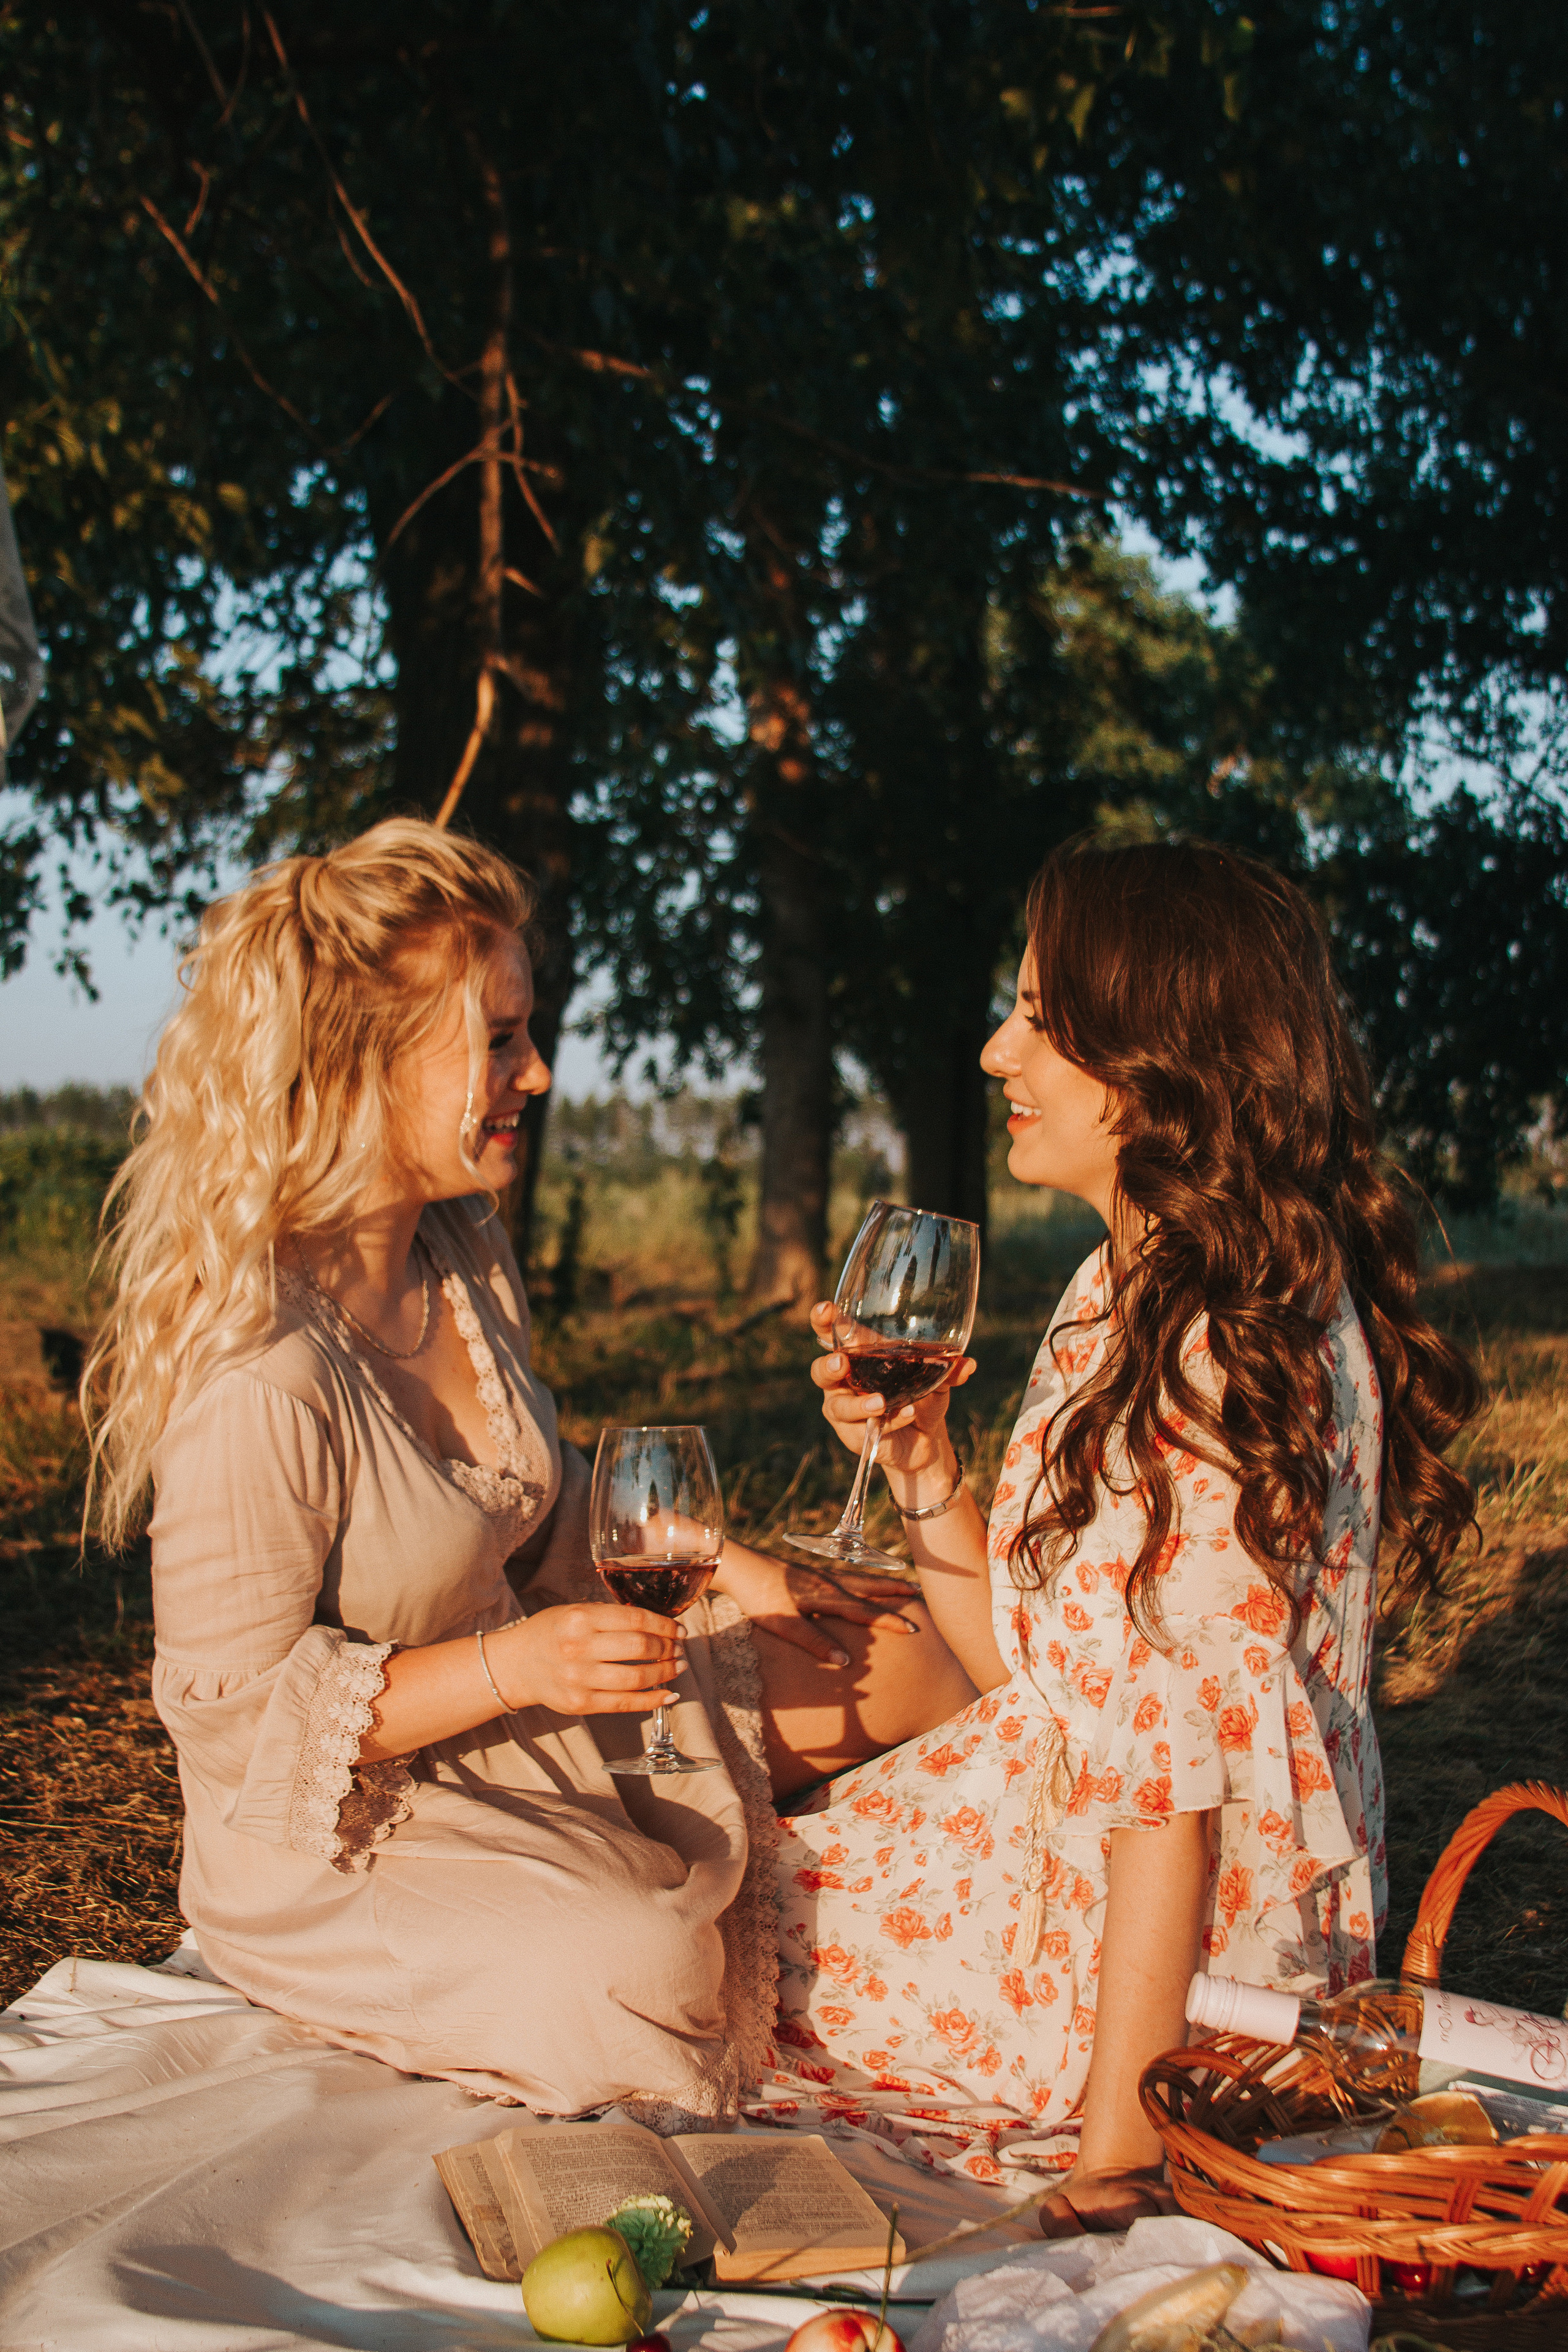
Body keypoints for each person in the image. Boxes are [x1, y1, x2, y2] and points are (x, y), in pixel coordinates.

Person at [86, 820, 973, 2121]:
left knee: (907, 1653)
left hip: (523, 1712)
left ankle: (863, 1914)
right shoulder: (259, 1376)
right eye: (498, 1039)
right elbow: (229, 1721)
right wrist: (517, 1666)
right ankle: (728, 1910)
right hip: (338, 1830)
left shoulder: (460, 1250)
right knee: (636, 1959)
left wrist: (746, 1575)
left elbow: (536, 1491)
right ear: (360, 1063)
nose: (538, 1073)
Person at [755, 839, 1479, 2217]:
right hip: (1076, 1858)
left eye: (1035, 1015)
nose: (990, 1052)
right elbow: (1041, 1687)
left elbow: (1169, 1801)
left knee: (682, 1931)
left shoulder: (1215, 1348)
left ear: (1157, 1059)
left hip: (1151, 1969)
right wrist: (919, 1468)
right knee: (680, 1866)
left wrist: (1118, 2162)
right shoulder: (1128, 1281)